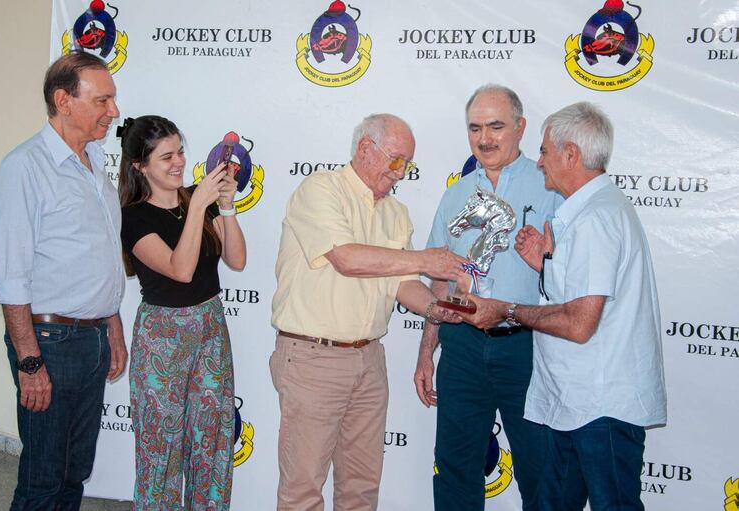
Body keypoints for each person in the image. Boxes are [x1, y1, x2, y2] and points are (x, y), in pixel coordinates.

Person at [460, 102, 667, 511]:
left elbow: (578, 323)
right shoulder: (591, 213)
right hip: (575, 401)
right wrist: (547, 265)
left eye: (544, 152)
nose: (539, 163)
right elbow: (582, 297)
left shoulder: (596, 219)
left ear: (570, 154)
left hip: (599, 405)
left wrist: (506, 310)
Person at [270, 113, 466, 511]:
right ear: (365, 149)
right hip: (314, 358)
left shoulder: (397, 213)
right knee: (303, 489)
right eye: (396, 160)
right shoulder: (320, 190)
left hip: (370, 360)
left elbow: (402, 283)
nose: (400, 173)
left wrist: (435, 308)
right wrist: (427, 260)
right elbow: (346, 258)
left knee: (361, 487)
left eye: (406, 165)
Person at [0, 52, 127, 509]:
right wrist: (30, 363)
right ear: (63, 100)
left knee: (74, 474)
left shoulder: (95, 164)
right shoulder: (24, 167)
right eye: (103, 100)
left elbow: (97, 256)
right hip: (49, 342)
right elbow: (10, 276)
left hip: (91, 341)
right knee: (44, 478)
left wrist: (113, 328)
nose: (114, 111)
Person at [414, 84, 563, 511]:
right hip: (460, 349)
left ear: (520, 128)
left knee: (542, 470)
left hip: (529, 346)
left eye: (496, 126)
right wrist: (428, 352)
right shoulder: (456, 195)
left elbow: (574, 275)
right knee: (455, 470)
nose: (485, 138)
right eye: (475, 128)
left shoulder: (551, 186)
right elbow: (439, 284)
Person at [117, 115, 246, 510]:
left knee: (212, 443)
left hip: (210, 328)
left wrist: (224, 206)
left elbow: (237, 260)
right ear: (140, 166)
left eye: (180, 152)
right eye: (166, 157)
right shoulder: (133, 217)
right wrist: (197, 207)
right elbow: (180, 268)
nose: (178, 163)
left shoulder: (198, 200)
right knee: (162, 450)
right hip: (163, 339)